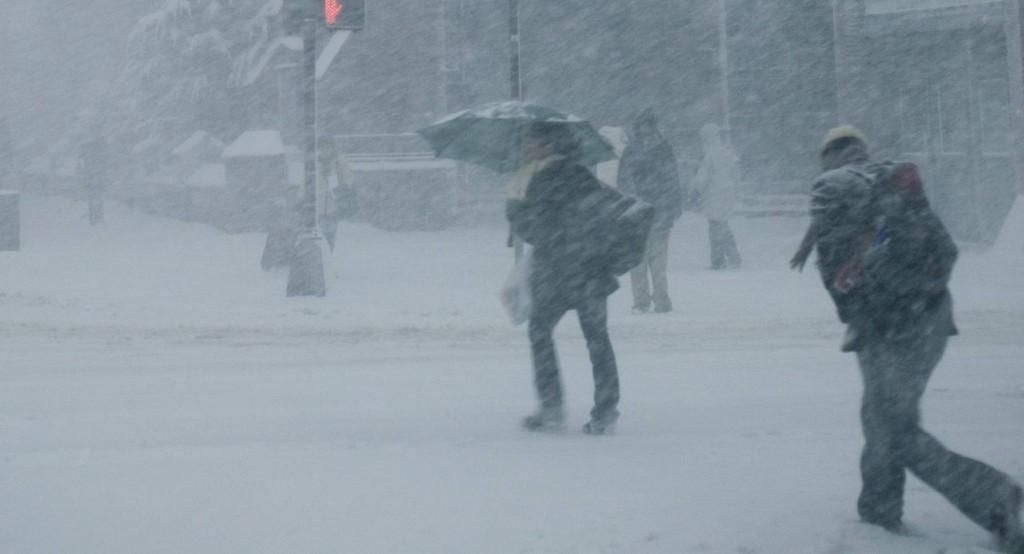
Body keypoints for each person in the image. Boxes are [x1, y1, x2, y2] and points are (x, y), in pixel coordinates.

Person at [796, 126, 1024, 552]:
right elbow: (946, 250)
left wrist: (867, 300)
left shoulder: (834, 196)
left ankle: (992, 495)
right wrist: (919, 292)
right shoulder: (897, 185)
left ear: (828, 158)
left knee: (895, 430)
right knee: (882, 417)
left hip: (890, 328)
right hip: (930, 320)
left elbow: (837, 280)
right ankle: (879, 509)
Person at [506, 122, 621, 435]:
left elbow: (535, 229)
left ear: (547, 145)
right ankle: (606, 410)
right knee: (597, 339)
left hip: (558, 273)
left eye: (531, 140)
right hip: (591, 272)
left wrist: (514, 208)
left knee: (540, 332)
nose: (526, 146)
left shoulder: (541, 179)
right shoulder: (583, 175)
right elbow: (598, 219)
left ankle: (552, 406)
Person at [617, 109, 683, 313]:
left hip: (644, 212)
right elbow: (672, 180)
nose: (646, 132)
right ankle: (657, 300)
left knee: (642, 261)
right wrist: (672, 206)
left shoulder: (633, 151)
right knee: (655, 261)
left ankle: (644, 301)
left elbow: (623, 182)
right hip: (653, 211)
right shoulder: (663, 149)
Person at [693, 123, 742, 270]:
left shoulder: (710, 155)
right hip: (727, 195)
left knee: (715, 228)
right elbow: (736, 175)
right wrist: (735, 191)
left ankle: (718, 260)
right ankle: (734, 257)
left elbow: (702, 178)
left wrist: (696, 191)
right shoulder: (728, 153)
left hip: (714, 196)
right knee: (723, 225)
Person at [317, 136, 357, 251]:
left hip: (334, 204)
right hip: (318, 205)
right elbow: (307, 182)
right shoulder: (315, 162)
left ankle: (328, 256)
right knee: (319, 235)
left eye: (327, 147)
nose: (324, 150)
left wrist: (342, 187)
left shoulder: (339, 161)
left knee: (330, 235)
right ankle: (323, 258)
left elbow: (349, 178)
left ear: (332, 148)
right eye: (322, 147)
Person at [79, 136, 109, 225]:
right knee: (96, 198)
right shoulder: (99, 154)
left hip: (92, 179)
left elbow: (82, 166)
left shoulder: (89, 154)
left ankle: (94, 218)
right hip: (95, 179)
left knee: (93, 198)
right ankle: (97, 217)